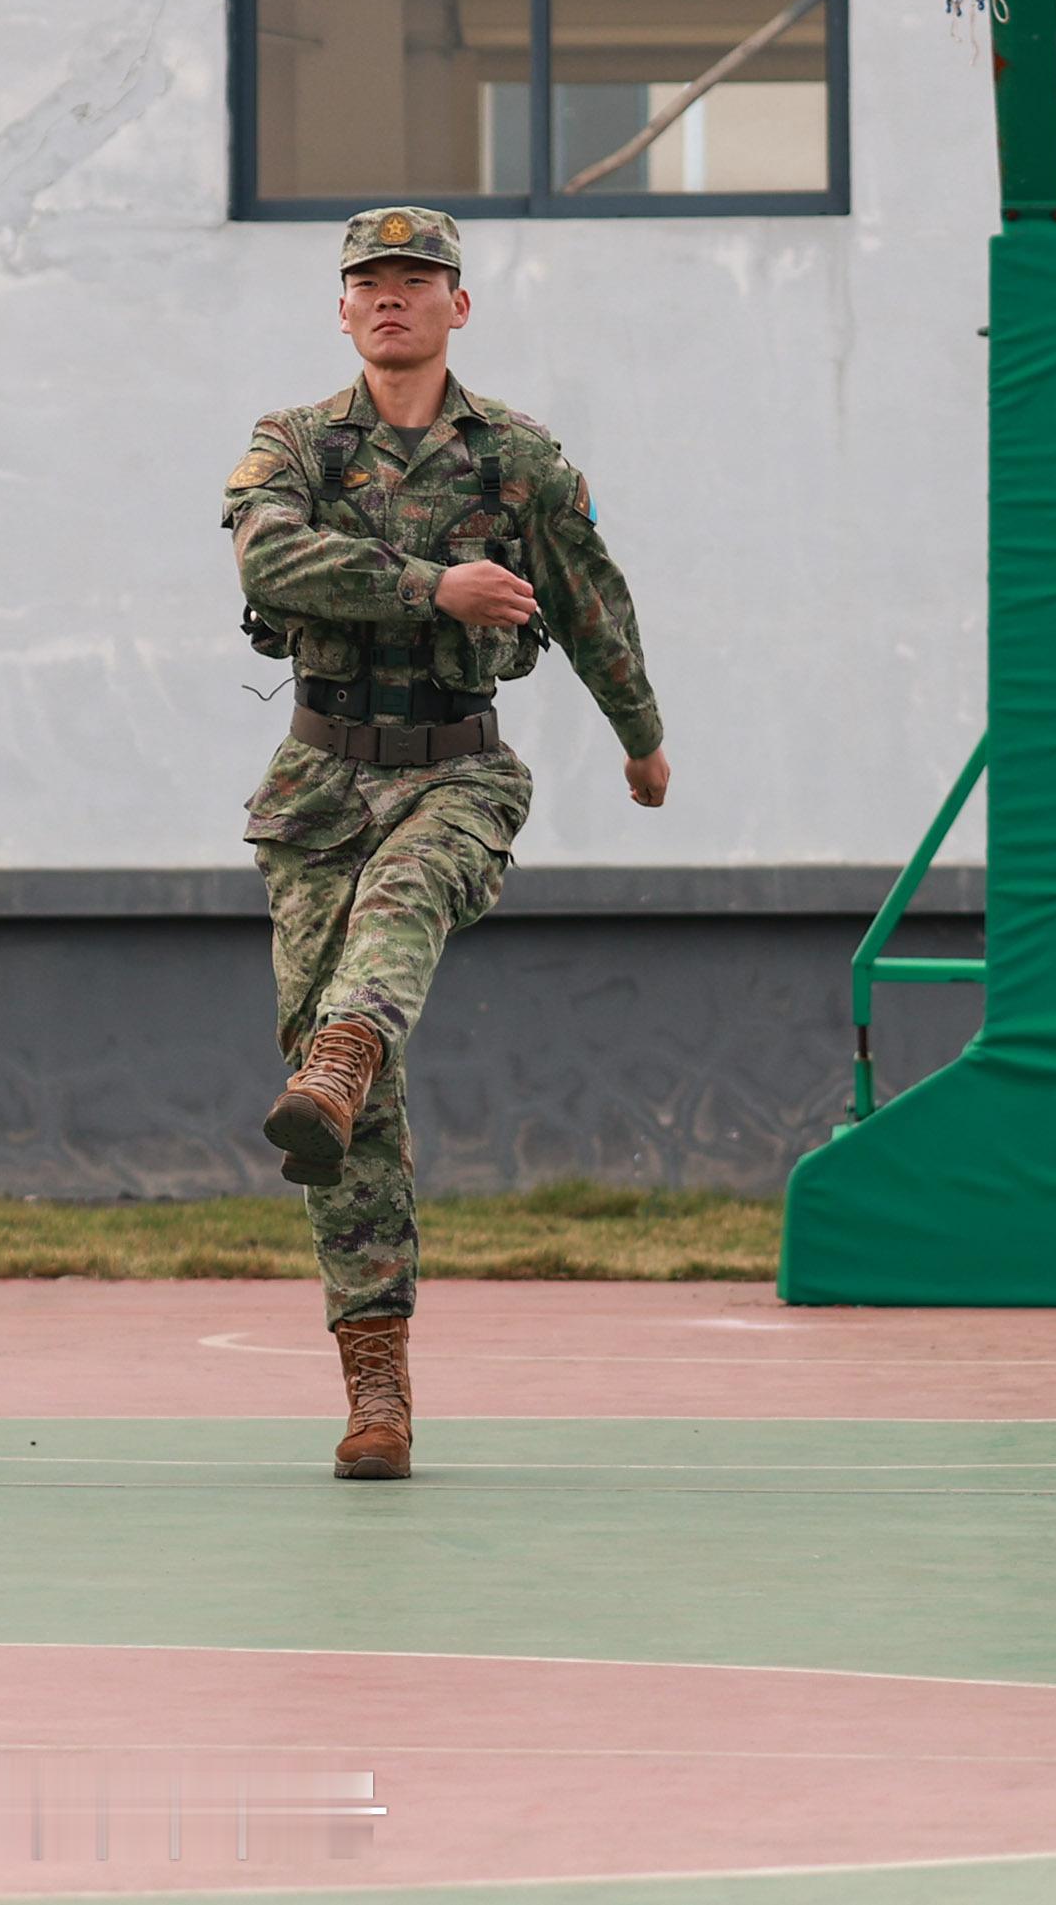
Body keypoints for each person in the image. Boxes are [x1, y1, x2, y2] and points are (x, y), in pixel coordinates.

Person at [220, 204, 668, 1481]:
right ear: (342, 307)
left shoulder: (514, 457)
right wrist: (434, 586)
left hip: (458, 763)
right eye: (369, 281)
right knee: (345, 1121)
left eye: (417, 280)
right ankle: (377, 1390)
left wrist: (640, 736)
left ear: (458, 306)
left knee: (401, 912)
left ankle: (346, 1050)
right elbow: (272, 562)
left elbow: (591, 598)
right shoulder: (291, 442)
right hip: (317, 777)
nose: (392, 298)